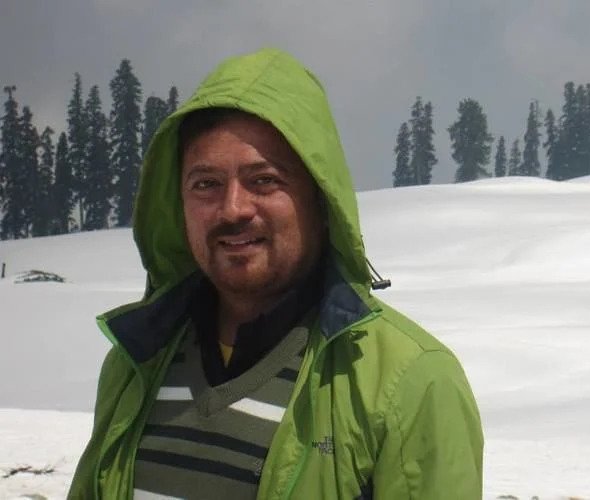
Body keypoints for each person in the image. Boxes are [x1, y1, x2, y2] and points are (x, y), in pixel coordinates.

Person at [69, 48, 483, 499]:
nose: (232, 208)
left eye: (263, 180)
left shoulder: (410, 382)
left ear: (320, 199)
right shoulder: (135, 364)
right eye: (206, 184)